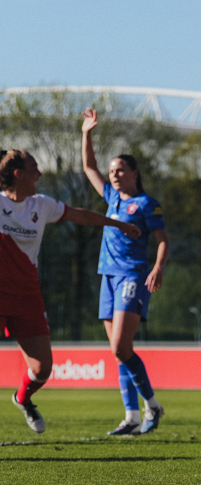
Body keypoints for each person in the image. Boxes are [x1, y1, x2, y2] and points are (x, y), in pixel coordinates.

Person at [1, 149, 141, 434]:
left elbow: (79, 215)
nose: (40, 173)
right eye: (34, 167)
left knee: (42, 370)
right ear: (19, 174)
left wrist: (118, 224)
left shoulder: (41, 205)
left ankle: (23, 398)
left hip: (28, 297)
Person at [81, 109, 170, 435]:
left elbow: (163, 242)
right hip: (108, 276)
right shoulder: (110, 198)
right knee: (119, 353)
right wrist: (86, 133)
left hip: (133, 276)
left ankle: (152, 405)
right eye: (112, 171)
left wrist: (158, 267)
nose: (114, 175)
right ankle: (132, 417)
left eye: (120, 170)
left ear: (134, 172)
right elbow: (89, 167)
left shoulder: (147, 204)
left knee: (121, 346)